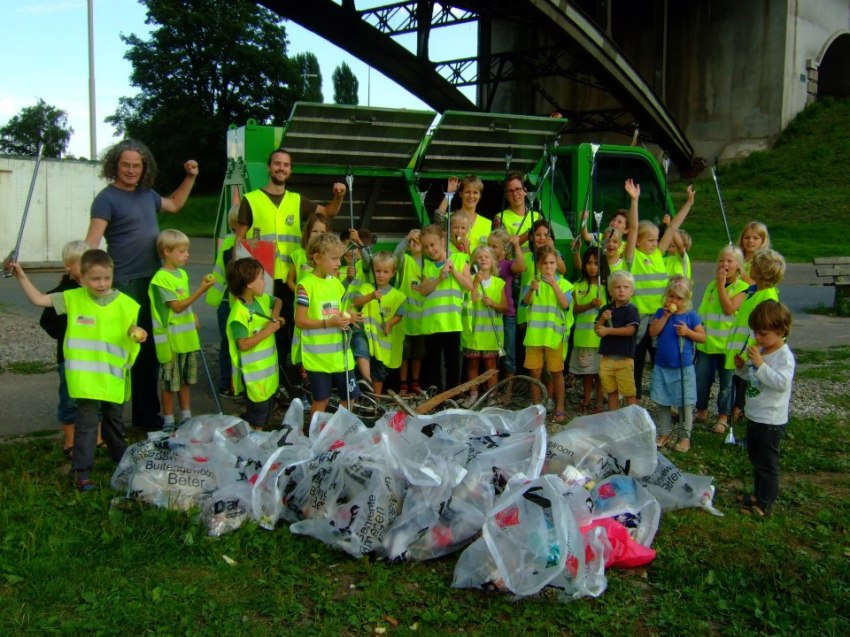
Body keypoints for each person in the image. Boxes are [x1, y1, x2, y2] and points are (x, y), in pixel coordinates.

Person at [84, 139, 198, 431]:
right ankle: (109, 421)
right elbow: (92, 242)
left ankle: (146, 418)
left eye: (137, 165)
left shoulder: (147, 195)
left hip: (153, 282)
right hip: (123, 284)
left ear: (143, 167)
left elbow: (174, 204)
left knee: (149, 351)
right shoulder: (106, 199)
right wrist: (81, 273)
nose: (131, 170)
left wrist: (190, 177)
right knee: (124, 351)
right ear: (115, 165)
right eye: (126, 165)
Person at [11, 250, 145, 491]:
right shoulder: (72, 298)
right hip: (85, 381)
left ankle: (122, 463)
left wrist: (138, 333)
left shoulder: (126, 304)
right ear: (81, 279)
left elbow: (129, 329)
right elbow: (38, 300)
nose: (102, 284)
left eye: (106, 278)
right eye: (95, 279)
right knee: (86, 425)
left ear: (112, 275)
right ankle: (81, 473)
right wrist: (20, 274)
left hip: (112, 379)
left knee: (114, 421)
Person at [234, 148, 346, 368]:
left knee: (288, 328)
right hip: (262, 279)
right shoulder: (251, 200)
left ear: (290, 170)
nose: (281, 168)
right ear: (269, 167)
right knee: (264, 327)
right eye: (277, 163)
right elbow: (239, 242)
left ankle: (288, 377)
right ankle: (267, 377)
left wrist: (339, 196)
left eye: (286, 165)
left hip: (291, 279)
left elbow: (329, 212)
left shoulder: (297, 201)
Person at [624, 178, 695, 399]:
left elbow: (673, 227)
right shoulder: (632, 257)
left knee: (660, 358)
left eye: (657, 240)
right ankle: (633, 399)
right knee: (635, 361)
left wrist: (688, 203)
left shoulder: (657, 255)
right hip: (637, 318)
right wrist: (634, 201)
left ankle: (665, 398)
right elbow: (634, 227)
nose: (655, 244)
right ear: (638, 242)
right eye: (650, 240)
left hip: (659, 317)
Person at [149, 230, 215, 432]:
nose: (187, 255)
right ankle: (168, 419)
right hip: (170, 342)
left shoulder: (182, 274)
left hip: (186, 339)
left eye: (187, 251)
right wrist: (201, 291)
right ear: (167, 251)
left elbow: (184, 305)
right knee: (170, 383)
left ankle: (186, 415)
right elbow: (176, 306)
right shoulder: (161, 279)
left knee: (185, 379)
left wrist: (193, 315)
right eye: (182, 251)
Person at [734, 300, 795, 518]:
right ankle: (757, 495)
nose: (757, 338)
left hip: (771, 420)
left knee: (768, 465)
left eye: (763, 334)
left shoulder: (783, 356)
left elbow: (781, 383)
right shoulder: (761, 350)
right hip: (755, 416)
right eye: (756, 333)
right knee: (756, 459)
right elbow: (752, 377)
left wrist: (760, 364)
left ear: (781, 331)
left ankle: (765, 504)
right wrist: (742, 368)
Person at [294, 232, 361, 414]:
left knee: (350, 396)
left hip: (341, 357)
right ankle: (316, 437)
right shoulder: (305, 285)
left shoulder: (337, 283)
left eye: (339, 258)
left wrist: (349, 316)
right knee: (321, 400)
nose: (339, 263)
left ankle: (336, 431)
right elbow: (299, 321)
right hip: (317, 359)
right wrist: (329, 323)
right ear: (316, 258)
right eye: (334, 259)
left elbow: (340, 313)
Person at [38, 240, 88, 456]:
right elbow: (46, 320)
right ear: (68, 266)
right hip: (68, 357)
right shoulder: (60, 293)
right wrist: (68, 332)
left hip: (94, 358)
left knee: (95, 399)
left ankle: (97, 437)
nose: (86, 268)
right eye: (81, 263)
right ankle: (69, 441)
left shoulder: (97, 290)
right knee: (69, 398)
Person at [725, 248, 785, 423]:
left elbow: (760, 332)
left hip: (752, 356)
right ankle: (744, 417)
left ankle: (751, 420)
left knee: (752, 393)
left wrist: (746, 356)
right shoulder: (754, 291)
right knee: (742, 389)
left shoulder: (767, 298)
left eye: (753, 265)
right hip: (742, 355)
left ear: (760, 272)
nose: (748, 266)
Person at [694, 245, 749, 433]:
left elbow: (729, 309)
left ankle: (723, 416)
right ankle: (701, 410)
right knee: (701, 380)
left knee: (726, 385)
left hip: (728, 347)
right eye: (721, 260)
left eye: (729, 261)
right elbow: (704, 311)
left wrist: (721, 285)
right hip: (707, 344)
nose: (724, 264)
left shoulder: (743, 288)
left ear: (739, 266)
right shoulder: (711, 285)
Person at [648, 276, 706, 452]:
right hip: (662, 365)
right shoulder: (660, 313)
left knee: (685, 403)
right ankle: (664, 432)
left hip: (682, 368)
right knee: (662, 401)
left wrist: (688, 332)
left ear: (686, 300)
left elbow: (702, 337)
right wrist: (665, 317)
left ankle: (684, 438)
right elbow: (652, 332)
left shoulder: (691, 316)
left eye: (679, 298)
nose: (674, 301)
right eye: (671, 296)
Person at [226, 257, 282, 430]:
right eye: (261, 278)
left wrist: (275, 317)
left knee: (266, 412)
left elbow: (278, 301)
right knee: (257, 417)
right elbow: (243, 344)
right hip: (254, 377)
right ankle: (253, 443)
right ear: (249, 284)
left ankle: (260, 438)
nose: (265, 282)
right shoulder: (239, 314)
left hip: (268, 374)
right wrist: (268, 330)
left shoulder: (261, 300)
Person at [417, 223, 472, 392]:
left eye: (433, 244)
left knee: (452, 363)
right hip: (432, 324)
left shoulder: (460, 259)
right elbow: (424, 290)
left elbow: (469, 285)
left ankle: (452, 396)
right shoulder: (426, 265)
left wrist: (454, 271)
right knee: (433, 363)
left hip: (451, 322)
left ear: (442, 240)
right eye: (425, 247)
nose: (430, 250)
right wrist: (440, 278)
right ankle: (436, 396)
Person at [521, 245, 573, 423]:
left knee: (556, 372)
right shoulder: (532, 283)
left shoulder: (565, 284)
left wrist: (553, 284)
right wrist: (531, 290)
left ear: (557, 264)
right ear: (538, 265)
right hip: (535, 336)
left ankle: (560, 408)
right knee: (534, 372)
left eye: (552, 263)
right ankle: (536, 407)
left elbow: (565, 304)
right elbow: (525, 303)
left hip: (553, 337)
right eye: (545, 263)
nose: (549, 267)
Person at [354, 251, 405, 396]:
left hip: (381, 340)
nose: (381, 275)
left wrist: (389, 324)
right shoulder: (365, 288)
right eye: (377, 271)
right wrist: (371, 296)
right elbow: (356, 301)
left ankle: (376, 399)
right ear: (372, 271)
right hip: (364, 330)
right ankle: (367, 380)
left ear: (393, 273)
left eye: (385, 272)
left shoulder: (398, 295)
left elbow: (399, 314)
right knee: (361, 350)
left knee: (379, 370)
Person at [463, 246, 507, 405]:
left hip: (491, 333)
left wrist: (493, 303)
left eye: (486, 257)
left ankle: (492, 395)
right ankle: (473, 393)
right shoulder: (471, 280)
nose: (483, 259)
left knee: (490, 364)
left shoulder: (498, 283)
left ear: (492, 261)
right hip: (474, 331)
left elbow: (505, 307)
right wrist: (475, 283)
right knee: (473, 364)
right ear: (474, 261)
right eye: (479, 257)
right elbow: (472, 300)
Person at [206, 203, 241, 397]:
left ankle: (235, 383)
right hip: (227, 302)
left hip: (231, 301)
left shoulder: (234, 241)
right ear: (235, 225)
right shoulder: (231, 243)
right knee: (228, 345)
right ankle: (227, 384)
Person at [595, 270, 640, 412]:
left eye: (626, 287)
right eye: (618, 287)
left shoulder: (631, 310)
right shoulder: (606, 309)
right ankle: (614, 419)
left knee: (629, 393)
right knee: (611, 391)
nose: (622, 290)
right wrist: (603, 319)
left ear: (631, 291)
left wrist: (609, 331)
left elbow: (630, 331)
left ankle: (633, 419)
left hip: (624, 360)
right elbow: (597, 330)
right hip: (607, 358)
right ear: (610, 291)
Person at [488, 229, 525, 389]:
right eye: (488, 245)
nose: (490, 249)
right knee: (491, 354)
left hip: (507, 315)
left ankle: (509, 391)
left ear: (504, 249)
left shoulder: (507, 265)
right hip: (489, 313)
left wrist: (517, 246)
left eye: (494, 246)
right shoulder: (486, 264)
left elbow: (521, 267)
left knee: (508, 354)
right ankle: (493, 390)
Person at [569, 248, 604, 413]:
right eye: (589, 263)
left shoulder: (606, 286)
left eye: (596, 263)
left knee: (600, 373)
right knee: (587, 372)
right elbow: (574, 308)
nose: (592, 267)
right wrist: (590, 305)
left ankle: (598, 401)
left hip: (601, 339)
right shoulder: (578, 285)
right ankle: (587, 397)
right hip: (583, 338)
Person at [395, 229, 426, 395]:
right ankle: (403, 384)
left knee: (418, 354)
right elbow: (396, 255)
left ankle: (415, 383)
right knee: (404, 354)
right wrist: (406, 237)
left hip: (422, 319)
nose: (414, 243)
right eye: (412, 241)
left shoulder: (427, 263)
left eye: (418, 241)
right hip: (405, 319)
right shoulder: (405, 260)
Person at [436, 175, 492, 254]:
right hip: (453, 264)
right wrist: (449, 194)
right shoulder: (450, 217)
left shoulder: (487, 223)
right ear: (461, 194)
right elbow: (438, 217)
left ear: (480, 195)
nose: (471, 196)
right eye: (467, 192)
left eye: (475, 192)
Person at [494, 172, 541, 247]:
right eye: (510, 191)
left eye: (518, 189)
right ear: (506, 195)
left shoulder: (537, 216)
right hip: (514, 259)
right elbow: (506, 248)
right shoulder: (500, 218)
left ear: (525, 191)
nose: (515, 193)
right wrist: (529, 233)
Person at [737, 221, 771, 285]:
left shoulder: (764, 262)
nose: (750, 241)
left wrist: (742, 273)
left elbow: (757, 286)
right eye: (747, 237)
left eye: (755, 238)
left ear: (763, 240)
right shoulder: (736, 258)